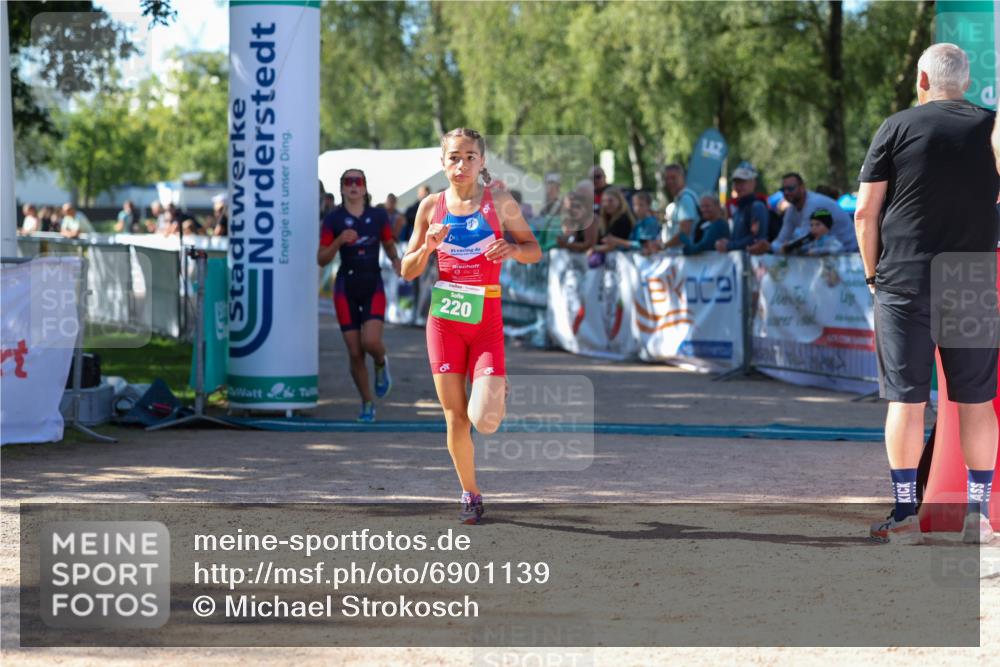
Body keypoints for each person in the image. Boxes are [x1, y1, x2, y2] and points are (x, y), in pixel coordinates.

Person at [856, 43, 999, 544]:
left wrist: (872, 277)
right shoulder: (992, 128)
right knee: (976, 401)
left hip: (904, 277)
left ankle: (904, 517)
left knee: (906, 400)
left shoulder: (895, 127)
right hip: (972, 276)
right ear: (966, 82)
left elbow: (864, 213)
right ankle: (978, 519)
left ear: (921, 80)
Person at [402, 128, 541, 524]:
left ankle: (496, 385)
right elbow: (407, 270)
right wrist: (427, 247)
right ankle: (470, 492)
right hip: (444, 322)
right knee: (455, 416)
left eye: (469, 157)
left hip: (485, 321)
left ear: (482, 162)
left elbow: (534, 250)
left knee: (485, 421)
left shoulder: (499, 202)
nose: (461, 165)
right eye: (454, 157)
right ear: (442, 162)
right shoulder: (430, 207)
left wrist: (513, 249)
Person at [318, 169, 402, 423]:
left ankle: (380, 362)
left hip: (372, 283)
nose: (353, 186)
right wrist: (339, 241)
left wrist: (397, 261)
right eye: (348, 182)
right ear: (342, 187)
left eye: (358, 181)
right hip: (346, 286)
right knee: (355, 352)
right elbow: (321, 258)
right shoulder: (333, 219)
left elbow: (388, 243)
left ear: (365, 187)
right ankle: (367, 402)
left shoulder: (377, 215)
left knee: (371, 342)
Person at [771, 173, 857, 252]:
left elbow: (805, 240)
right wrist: (771, 247)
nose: (786, 192)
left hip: (850, 253)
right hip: (831, 256)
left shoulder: (813, 204)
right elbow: (782, 239)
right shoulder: (792, 209)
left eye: (790, 188)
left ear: (802, 187)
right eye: (783, 189)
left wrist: (784, 247)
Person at [716, 161, 769, 253]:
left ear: (753, 183)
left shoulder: (757, 207)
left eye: (743, 182)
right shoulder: (738, 209)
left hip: (753, 260)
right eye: (736, 183)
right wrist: (727, 242)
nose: (739, 187)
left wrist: (728, 245)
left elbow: (756, 239)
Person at [592, 187, 634, 252]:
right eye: (604, 201)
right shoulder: (606, 218)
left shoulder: (623, 219)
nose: (606, 204)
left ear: (620, 201)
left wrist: (592, 248)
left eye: (610, 200)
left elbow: (612, 246)